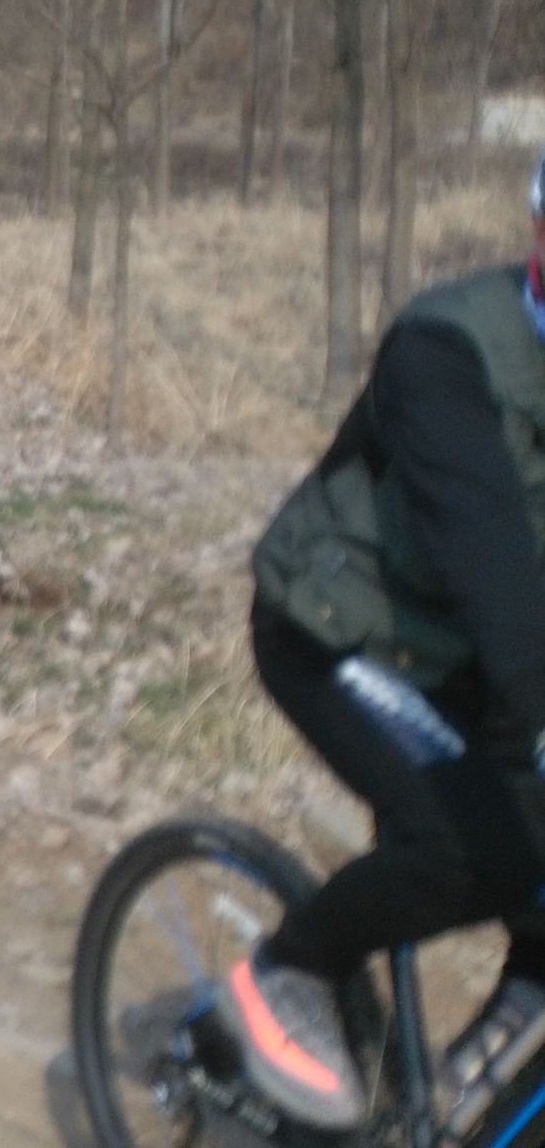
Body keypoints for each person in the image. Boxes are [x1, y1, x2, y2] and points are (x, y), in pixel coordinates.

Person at [224, 152, 545, 1130]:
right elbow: (493, 564)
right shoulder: (442, 353)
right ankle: (290, 968)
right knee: (466, 852)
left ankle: (462, 1086)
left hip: (465, 651)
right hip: (336, 631)